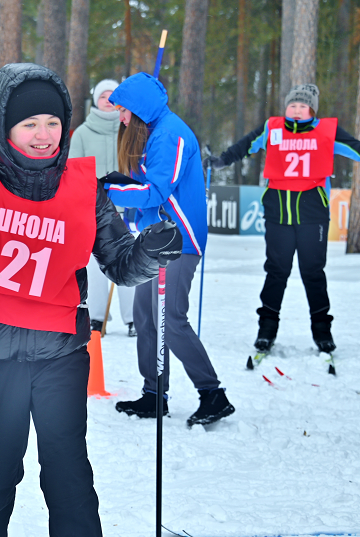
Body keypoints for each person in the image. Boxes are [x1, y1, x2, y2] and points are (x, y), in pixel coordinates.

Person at [0, 63, 183, 536]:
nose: (43, 135)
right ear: (4, 127)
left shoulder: (85, 189)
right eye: (29, 124)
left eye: (53, 123)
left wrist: (148, 253)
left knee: (68, 472)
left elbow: (119, 261)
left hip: (61, 354)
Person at [206, 83, 360, 353]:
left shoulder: (326, 132)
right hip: (278, 213)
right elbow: (243, 147)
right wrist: (220, 161)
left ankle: (322, 332)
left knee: (313, 273)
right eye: (292, 105)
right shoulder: (271, 128)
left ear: (312, 110)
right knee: (276, 271)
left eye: (302, 106)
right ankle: (266, 330)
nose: (295, 110)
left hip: (312, 214)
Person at [102, 72, 234, 427]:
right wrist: (117, 182)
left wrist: (108, 194)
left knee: (171, 319)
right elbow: (146, 185)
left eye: (124, 110)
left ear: (139, 107)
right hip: (155, 241)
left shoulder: (171, 134)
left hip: (180, 241)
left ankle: (212, 394)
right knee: (145, 315)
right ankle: (153, 394)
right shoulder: (154, 132)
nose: (122, 117)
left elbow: (156, 192)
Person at [71, 78, 136, 337]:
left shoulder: (129, 131)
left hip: (127, 210)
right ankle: (97, 318)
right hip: (94, 211)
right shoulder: (83, 133)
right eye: (103, 96)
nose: (108, 101)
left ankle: (133, 318)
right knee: (96, 267)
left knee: (130, 264)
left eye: (113, 97)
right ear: (95, 101)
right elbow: (73, 172)